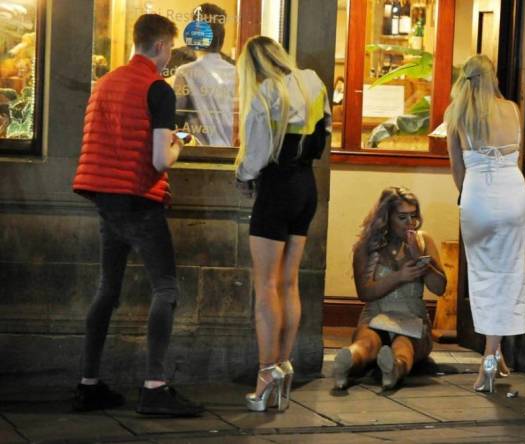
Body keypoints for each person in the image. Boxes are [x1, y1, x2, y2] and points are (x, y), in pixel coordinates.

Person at [71, 14, 203, 416]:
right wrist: (181, 142)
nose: (169, 58)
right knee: (166, 289)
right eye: (169, 50)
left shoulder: (105, 83)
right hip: (139, 201)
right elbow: (161, 159)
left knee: (107, 289)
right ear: (161, 46)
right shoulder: (157, 88)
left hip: (104, 198)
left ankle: (88, 384)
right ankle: (154, 388)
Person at [235, 36, 331, 411]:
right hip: (307, 185)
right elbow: (326, 131)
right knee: (289, 282)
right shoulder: (312, 81)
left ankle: (265, 374)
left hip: (276, 188)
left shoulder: (265, 93)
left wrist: (243, 175)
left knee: (265, 287)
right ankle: (284, 364)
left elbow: (255, 156)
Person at [444, 55, 525, 392]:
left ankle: (491, 357)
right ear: (493, 77)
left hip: (477, 195)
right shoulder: (512, 109)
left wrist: (470, 195)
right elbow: (517, 160)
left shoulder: (456, 113)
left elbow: (457, 169)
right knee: (508, 275)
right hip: (513, 195)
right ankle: (494, 354)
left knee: (483, 277)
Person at [333, 187, 447, 391]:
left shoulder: (423, 240)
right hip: (377, 316)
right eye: (402, 217)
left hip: (412, 319)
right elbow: (364, 293)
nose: (410, 222)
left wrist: (420, 258)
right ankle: (347, 363)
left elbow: (440, 288)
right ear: (386, 217)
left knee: (403, 345)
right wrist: (399, 277)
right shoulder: (367, 247)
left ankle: (394, 369)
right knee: (366, 344)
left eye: (413, 216)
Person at [173, 3, 237, 146]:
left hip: (198, 152)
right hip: (229, 152)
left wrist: (187, 140)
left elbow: (175, 123)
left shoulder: (185, 71)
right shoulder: (235, 71)